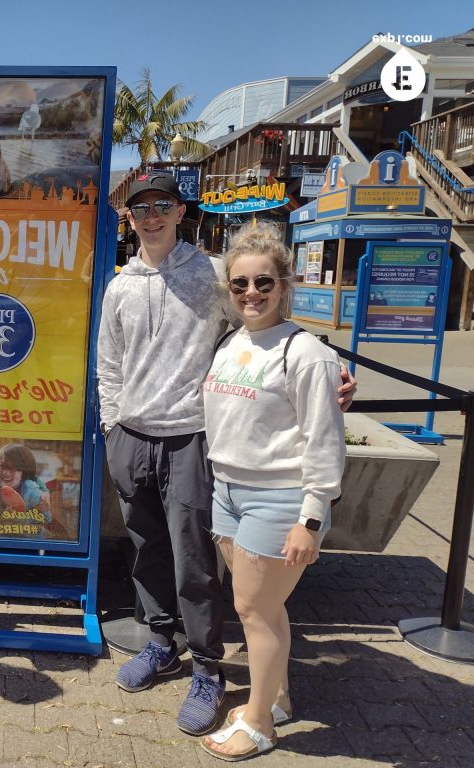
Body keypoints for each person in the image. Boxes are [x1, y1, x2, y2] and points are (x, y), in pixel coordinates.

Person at [97, 173, 354, 738]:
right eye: (141, 208)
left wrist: (329, 365)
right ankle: (161, 641)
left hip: (192, 438)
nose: (152, 216)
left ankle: (207, 667)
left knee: (195, 560)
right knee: (146, 549)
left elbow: (263, 322)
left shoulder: (214, 273)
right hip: (132, 438)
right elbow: (109, 363)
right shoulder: (120, 286)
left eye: (162, 204)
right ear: (128, 218)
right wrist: (113, 426)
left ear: (180, 210)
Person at [200, 225, 344, 761]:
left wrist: (311, 518)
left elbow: (324, 440)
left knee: (252, 610)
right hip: (228, 490)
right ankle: (276, 698)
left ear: (284, 284)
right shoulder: (231, 342)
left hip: (279, 498)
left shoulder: (305, 352)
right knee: (265, 608)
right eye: (240, 284)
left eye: (264, 282)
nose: (251, 293)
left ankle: (259, 723)